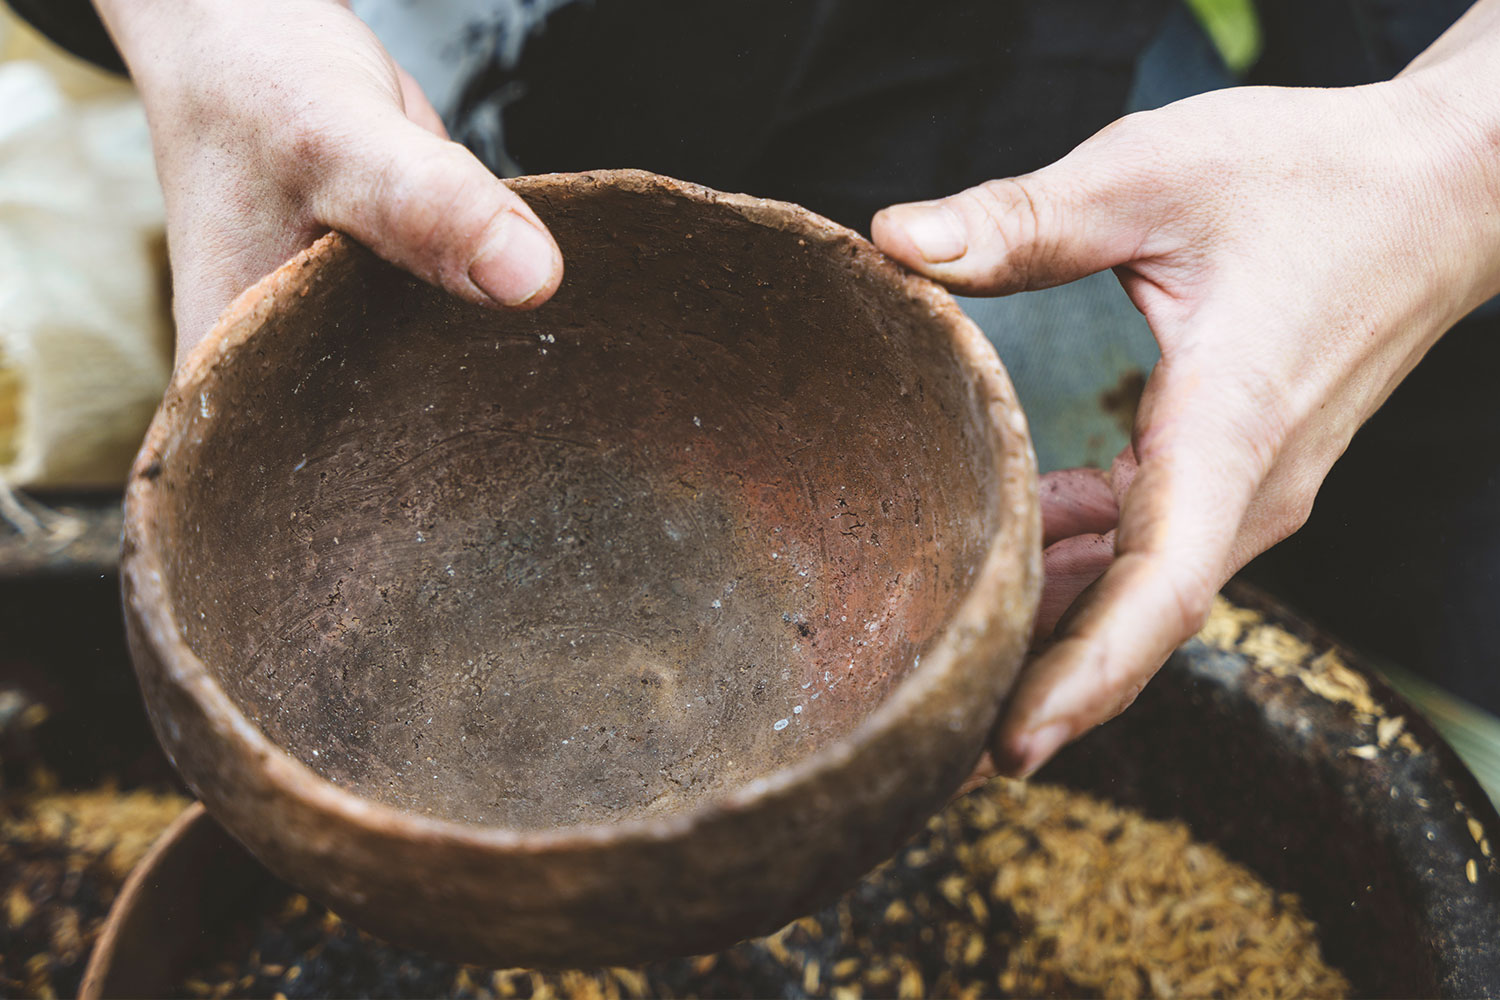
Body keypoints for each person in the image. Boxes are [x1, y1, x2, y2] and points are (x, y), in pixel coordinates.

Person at [11, 0, 1500, 778]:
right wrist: (206, 20)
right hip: (377, 61)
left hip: (1058, 102)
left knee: (1303, 573)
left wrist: (1444, 162)